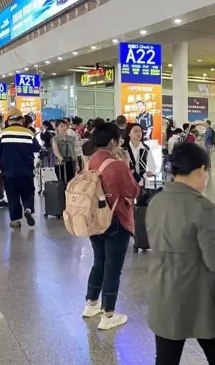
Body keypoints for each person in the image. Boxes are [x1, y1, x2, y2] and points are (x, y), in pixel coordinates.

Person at [146, 142, 215, 365]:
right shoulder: (202, 207)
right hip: (199, 298)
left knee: (166, 360)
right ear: (201, 170)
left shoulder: (156, 201)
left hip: (163, 294)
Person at [82, 122, 140, 330]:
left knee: (99, 261)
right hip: (116, 220)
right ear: (114, 141)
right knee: (113, 268)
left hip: (94, 219)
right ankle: (108, 314)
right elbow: (133, 191)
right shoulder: (117, 165)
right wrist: (126, 165)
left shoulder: (89, 162)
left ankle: (91, 304)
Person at [0, 108, 41, 229]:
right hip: (26, 170)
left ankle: (15, 220)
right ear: (21, 120)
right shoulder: (28, 133)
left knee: (12, 195)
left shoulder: (3, 133)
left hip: (9, 172)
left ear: (8, 121)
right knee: (28, 192)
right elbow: (37, 148)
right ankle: (28, 209)